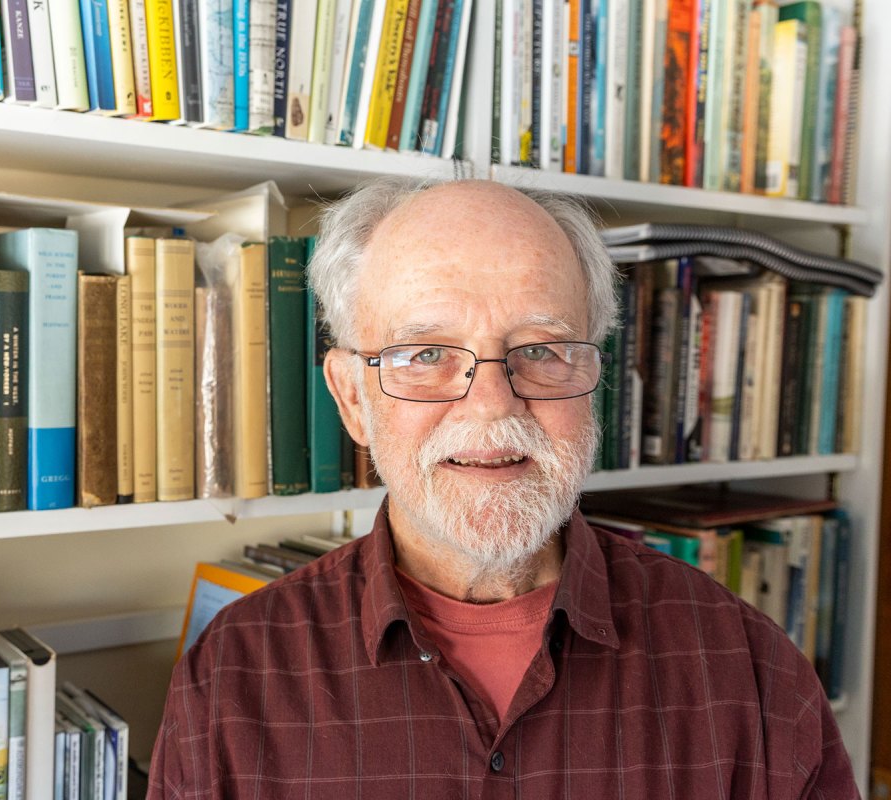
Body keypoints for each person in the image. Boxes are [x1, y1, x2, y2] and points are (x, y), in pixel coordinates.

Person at [147, 178, 858, 798]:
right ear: (352, 399)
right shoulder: (230, 684)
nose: (491, 405)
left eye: (542, 350)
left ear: (593, 379)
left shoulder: (751, 671)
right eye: (425, 354)